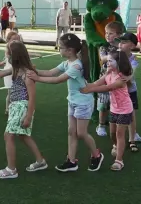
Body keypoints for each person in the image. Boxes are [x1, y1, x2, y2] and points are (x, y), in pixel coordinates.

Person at [27, 33, 104, 172]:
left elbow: (57, 80)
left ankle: (96, 155)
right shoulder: (67, 63)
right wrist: (34, 70)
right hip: (73, 101)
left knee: (81, 133)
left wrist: (36, 78)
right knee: (71, 131)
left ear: (70, 50)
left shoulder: (76, 66)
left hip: (83, 102)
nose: (59, 49)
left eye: (61, 47)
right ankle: (71, 161)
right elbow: (51, 72)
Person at [0, 40, 48, 179]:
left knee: (8, 135)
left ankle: (11, 170)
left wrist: (28, 116)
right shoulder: (16, 69)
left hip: (22, 106)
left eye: (8, 54)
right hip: (15, 105)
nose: (6, 57)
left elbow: (32, 97)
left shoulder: (27, 74)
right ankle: (40, 161)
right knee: (23, 136)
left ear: (15, 55)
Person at [81, 50, 134, 171]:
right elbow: (96, 83)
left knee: (120, 134)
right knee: (112, 134)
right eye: (107, 60)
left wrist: (89, 90)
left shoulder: (121, 79)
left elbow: (106, 87)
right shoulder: (108, 74)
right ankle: (116, 145)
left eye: (110, 61)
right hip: (114, 109)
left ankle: (119, 161)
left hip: (125, 109)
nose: (107, 62)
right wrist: (84, 85)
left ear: (118, 62)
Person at [96, 21, 124, 137]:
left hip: (117, 80)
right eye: (106, 33)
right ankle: (101, 125)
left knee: (116, 103)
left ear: (118, 35)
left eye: (111, 33)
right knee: (103, 104)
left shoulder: (121, 47)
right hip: (105, 79)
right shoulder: (104, 47)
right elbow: (102, 59)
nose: (107, 35)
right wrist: (111, 56)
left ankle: (115, 123)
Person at [117, 32, 141, 143]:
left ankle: (133, 136)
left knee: (131, 114)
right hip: (118, 90)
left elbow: (132, 70)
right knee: (118, 113)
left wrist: (128, 77)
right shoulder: (116, 56)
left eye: (124, 42)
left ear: (132, 46)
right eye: (120, 42)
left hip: (130, 91)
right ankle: (118, 136)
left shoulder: (134, 58)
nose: (120, 45)